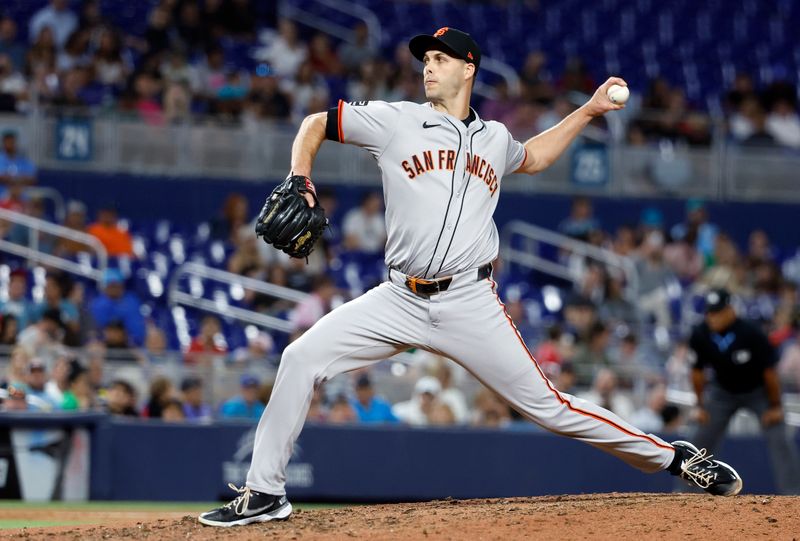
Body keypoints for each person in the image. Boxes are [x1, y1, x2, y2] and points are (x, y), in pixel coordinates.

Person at [199, 27, 742, 528]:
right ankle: (265, 491)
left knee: (552, 408)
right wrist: (301, 176)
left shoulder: (496, 139)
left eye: (440, 59)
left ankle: (676, 457)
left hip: (469, 301)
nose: (428, 68)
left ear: (469, 69)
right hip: (398, 297)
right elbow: (315, 123)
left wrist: (588, 110)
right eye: (425, 60)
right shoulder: (396, 120)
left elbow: (532, 157)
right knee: (299, 358)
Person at [688, 288, 800, 494]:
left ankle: (794, 494)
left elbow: (770, 374)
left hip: (758, 391)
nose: (713, 317)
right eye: (710, 312)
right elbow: (696, 372)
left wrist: (775, 406)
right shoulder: (701, 333)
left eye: (718, 312)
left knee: (779, 438)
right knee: (701, 439)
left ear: (731, 310)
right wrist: (700, 405)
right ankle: (684, 495)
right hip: (722, 392)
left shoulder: (751, 332)